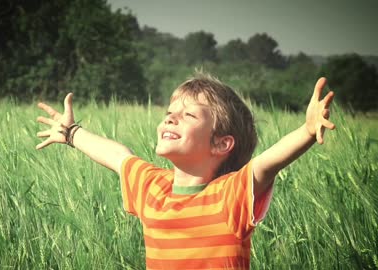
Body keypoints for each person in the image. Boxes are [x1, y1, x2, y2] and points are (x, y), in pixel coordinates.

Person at [35, 72, 335, 270]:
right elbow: (117, 156)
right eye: (169, 114)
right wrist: (71, 133)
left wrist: (307, 131)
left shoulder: (230, 196)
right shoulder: (153, 187)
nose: (171, 119)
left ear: (221, 144)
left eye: (188, 115)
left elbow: (267, 164)